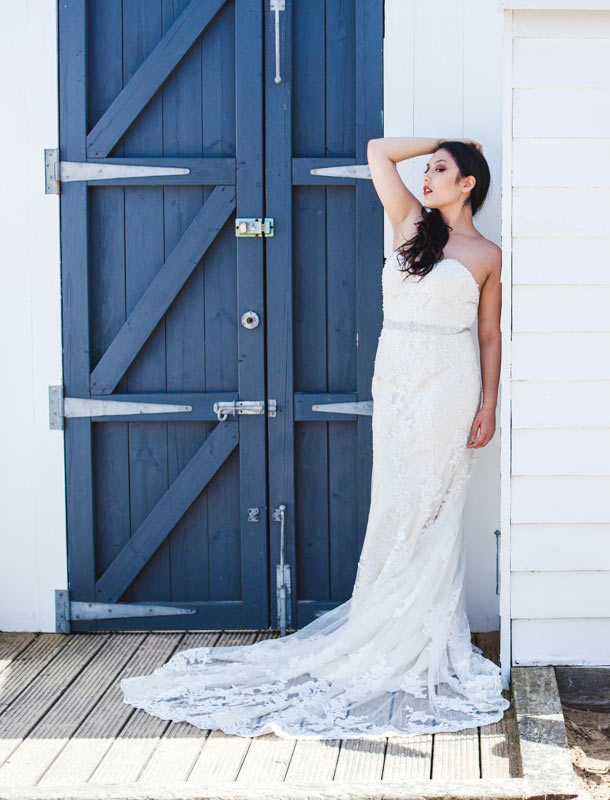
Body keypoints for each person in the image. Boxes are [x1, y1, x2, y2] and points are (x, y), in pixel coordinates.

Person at [119, 137, 508, 739]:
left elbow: (488, 336)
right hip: (400, 380)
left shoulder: (487, 254)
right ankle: (380, 627)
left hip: (449, 388)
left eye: (440, 170)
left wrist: (489, 402)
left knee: (433, 509)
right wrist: (438, 140)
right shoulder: (408, 222)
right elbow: (379, 151)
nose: (427, 176)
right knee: (394, 505)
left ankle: (419, 638)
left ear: (469, 185)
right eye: (428, 169)